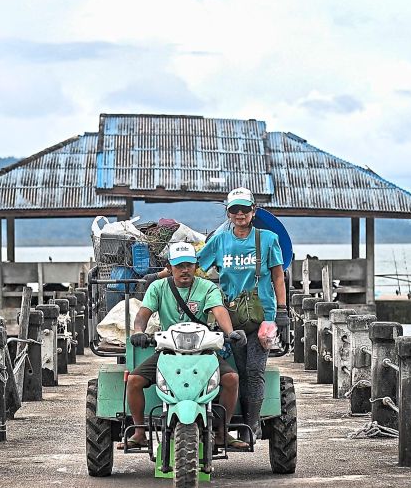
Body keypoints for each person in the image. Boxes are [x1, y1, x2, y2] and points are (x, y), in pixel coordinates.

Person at [123, 241, 244, 450]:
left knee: (231, 379)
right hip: (169, 351)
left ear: (196, 266)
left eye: (189, 265)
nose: (184, 270)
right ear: (169, 267)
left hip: (203, 350)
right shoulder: (158, 287)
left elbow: (218, 310)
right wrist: (139, 332)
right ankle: (139, 431)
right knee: (133, 380)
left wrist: (230, 332)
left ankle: (222, 432)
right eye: (179, 265)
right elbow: (142, 315)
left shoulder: (207, 288)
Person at [197, 187, 289, 434]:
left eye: (245, 209)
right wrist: (162, 275)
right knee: (237, 370)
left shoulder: (268, 239)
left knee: (254, 369)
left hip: (264, 316)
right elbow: (195, 267)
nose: (240, 214)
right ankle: (232, 422)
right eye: (234, 209)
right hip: (232, 316)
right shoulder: (219, 241)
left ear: (253, 211)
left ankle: (251, 424)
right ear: (228, 213)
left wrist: (282, 311)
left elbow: (278, 277)